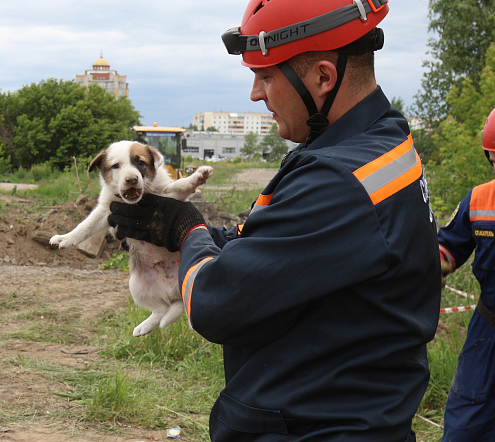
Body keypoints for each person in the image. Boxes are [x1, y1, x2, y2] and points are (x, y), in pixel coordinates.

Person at [108, 1, 441, 440]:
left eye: (265, 76)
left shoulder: (339, 179)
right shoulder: (376, 145)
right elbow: (288, 248)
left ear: (324, 77)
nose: (255, 94)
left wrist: (187, 229)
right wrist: (212, 238)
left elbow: (214, 303)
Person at [438, 107, 495, 441]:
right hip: (487, 334)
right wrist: (428, 268)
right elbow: (448, 249)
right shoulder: (479, 200)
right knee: (465, 426)